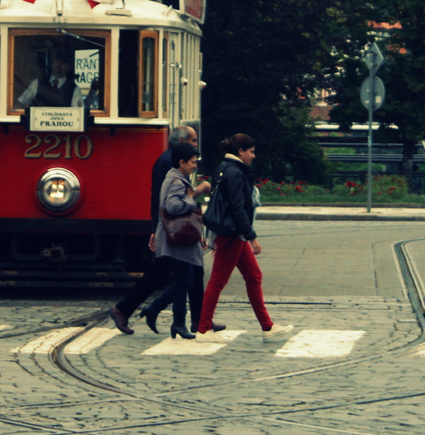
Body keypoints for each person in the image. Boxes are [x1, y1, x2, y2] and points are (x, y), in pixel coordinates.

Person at [109, 125, 207, 334]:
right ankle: (132, 309)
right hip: (173, 232)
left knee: (184, 274)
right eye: (193, 141)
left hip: (174, 230)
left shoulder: (173, 162)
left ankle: (196, 319)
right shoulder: (168, 164)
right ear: (181, 143)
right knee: (179, 275)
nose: (195, 145)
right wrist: (156, 228)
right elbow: (165, 201)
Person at [195, 133, 290, 341]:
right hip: (233, 234)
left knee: (254, 276)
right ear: (241, 151)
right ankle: (203, 329)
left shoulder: (224, 167)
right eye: (251, 151)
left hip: (230, 232)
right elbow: (239, 209)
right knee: (218, 280)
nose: (253, 156)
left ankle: (267, 326)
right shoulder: (235, 172)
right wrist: (251, 236)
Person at [142, 141, 205, 339]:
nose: (195, 166)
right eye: (192, 162)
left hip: (174, 238)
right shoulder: (177, 181)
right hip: (176, 239)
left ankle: (158, 309)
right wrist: (193, 197)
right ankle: (177, 322)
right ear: (181, 162)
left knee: (186, 280)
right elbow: (173, 206)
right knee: (184, 280)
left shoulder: (174, 177)